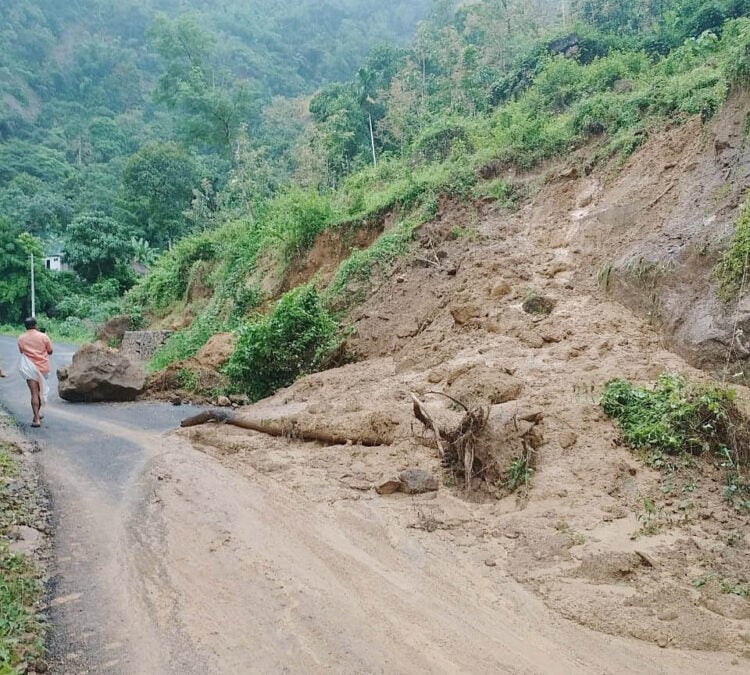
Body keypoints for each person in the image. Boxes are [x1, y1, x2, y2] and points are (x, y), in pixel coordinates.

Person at [17, 317, 53, 428]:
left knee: (33, 393)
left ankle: (36, 418)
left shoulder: (21, 338)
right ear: (36, 325)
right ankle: (37, 414)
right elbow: (50, 351)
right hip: (42, 368)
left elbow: (21, 351)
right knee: (40, 393)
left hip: (29, 368)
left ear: (25, 326)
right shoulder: (43, 336)